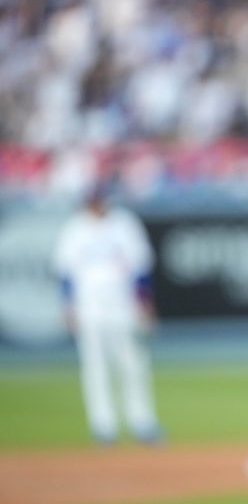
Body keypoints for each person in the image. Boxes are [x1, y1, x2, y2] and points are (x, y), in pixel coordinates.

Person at [53, 183, 163, 446]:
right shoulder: (75, 228)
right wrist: (68, 306)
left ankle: (142, 421)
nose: (96, 205)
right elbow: (65, 272)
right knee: (95, 367)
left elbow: (141, 267)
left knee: (133, 365)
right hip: (88, 307)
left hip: (123, 305)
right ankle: (103, 426)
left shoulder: (124, 224)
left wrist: (144, 303)